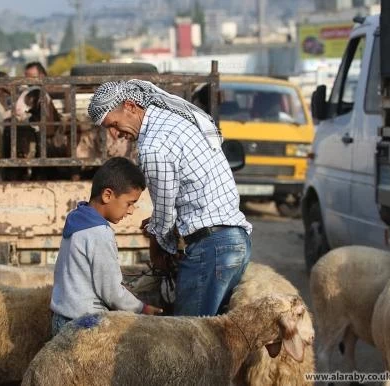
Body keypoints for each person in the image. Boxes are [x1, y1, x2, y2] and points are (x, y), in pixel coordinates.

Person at [87, 80, 252, 317]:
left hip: (213, 249)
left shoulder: (154, 146)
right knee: (214, 337)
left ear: (131, 106)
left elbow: (165, 214)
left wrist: (160, 247)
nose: (115, 134)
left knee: (188, 339)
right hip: (233, 242)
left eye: (114, 124)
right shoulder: (174, 121)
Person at [50, 157, 163, 336]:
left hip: (60, 320)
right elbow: (111, 292)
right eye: (130, 203)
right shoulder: (99, 232)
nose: (131, 210)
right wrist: (142, 308)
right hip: (84, 326)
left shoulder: (78, 219)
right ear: (107, 195)